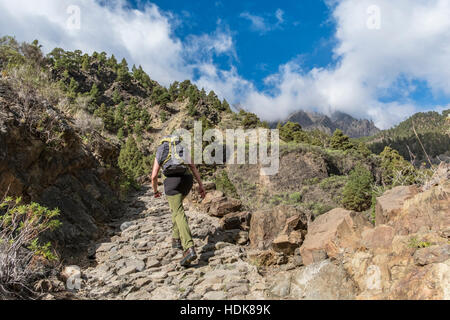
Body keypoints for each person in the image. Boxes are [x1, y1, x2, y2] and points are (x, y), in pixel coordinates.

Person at [151, 137, 206, 267]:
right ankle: (176, 239)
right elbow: (192, 167)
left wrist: (155, 191)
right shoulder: (182, 147)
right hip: (187, 180)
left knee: (178, 211)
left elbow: (154, 176)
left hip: (171, 182)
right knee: (176, 209)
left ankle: (189, 247)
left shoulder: (161, 149)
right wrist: (201, 185)